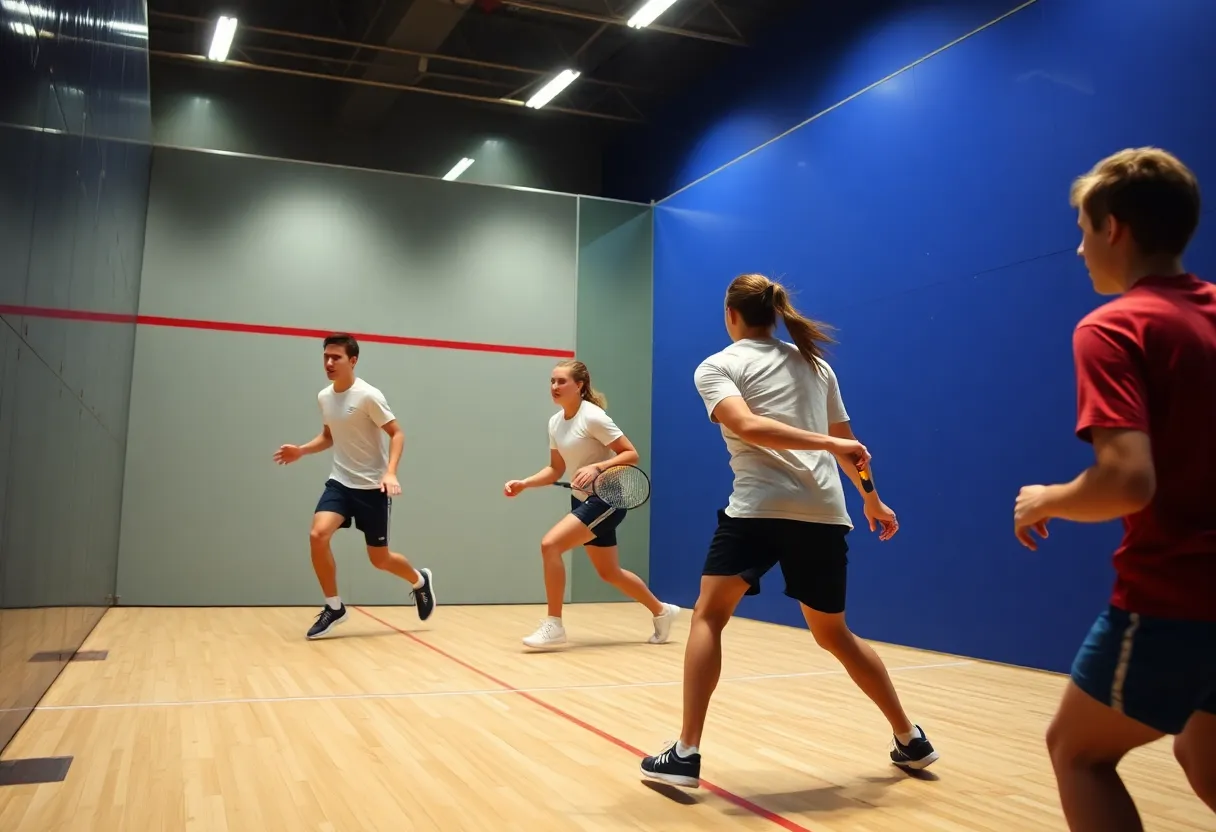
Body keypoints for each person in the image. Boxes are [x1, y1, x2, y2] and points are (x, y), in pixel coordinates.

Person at [640, 274, 938, 789]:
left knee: (709, 616)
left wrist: (868, 493)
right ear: (773, 314)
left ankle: (686, 752)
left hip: (757, 510)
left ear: (731, 314)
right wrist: (869, 495)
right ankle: (909, 738)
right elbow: (847, 445)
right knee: (835, 635)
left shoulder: (718, 366)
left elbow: (752, 427)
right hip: (822, 513)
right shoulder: (815, 365)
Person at [1013, 148, 1216, 831]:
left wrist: (1049, 498)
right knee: (1204, 753)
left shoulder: (1114, 327)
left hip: (1177, 598)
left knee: (1076, 752)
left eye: (1082, 227)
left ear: (1114, 229)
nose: (1077, 248)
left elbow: (1127, 480)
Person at [504, 359, 679, 649]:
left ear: (580, 385)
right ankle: (662, 611)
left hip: (607, 499)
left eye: (561, 381)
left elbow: (630, 453)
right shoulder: (555, 422)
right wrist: (525, 483)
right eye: (552, 381)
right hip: (583, 499)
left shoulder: (593, 416)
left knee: (550, 545)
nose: (555, 387)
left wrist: (598, 468)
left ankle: (554, 625)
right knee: (609, 572)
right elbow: (555, 470)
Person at [274, 333, 435, 639]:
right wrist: (302, 450)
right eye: (326, 357)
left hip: (373, 488)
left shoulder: (368, 396)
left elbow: (397, 434)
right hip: (340, 483)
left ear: (353, 361)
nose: (329, 363)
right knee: (317, 534)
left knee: (380, 559)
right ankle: (334, 607)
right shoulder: (325, 397)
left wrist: (390, 473)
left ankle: (419, 581)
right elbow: (330, 435)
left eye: (336, 357)